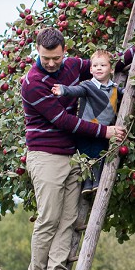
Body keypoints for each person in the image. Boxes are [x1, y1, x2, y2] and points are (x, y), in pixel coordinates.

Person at [21, 28, 127, 270]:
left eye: (56, 57)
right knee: (49, 217)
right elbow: (63, 121)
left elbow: (99, 66)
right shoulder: (33, 82)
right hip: (45, 156)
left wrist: (129, 56)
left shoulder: (72, 66)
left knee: (68, 218)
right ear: (38, 52)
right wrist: (105, 132)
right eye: (46, 58)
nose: (52, 63)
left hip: (68, 156)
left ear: (64, 51)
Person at [51, 48, 126, 197]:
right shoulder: (87, 86)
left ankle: (96, 182)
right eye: (96, 65)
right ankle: (87, 183)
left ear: (111, 69)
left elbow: (125, 94)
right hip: (85, 129)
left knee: (99, 153)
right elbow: (75, 90)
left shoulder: (114, 88)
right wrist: (63, 90)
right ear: (90, 69)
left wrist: (129, 91)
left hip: (103, 131)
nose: (99, 68)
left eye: (103, 65)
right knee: (85, 156)